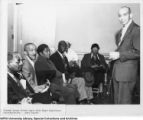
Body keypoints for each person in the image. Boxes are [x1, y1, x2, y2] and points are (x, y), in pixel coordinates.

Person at [109, 6, 140, 104]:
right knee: (117, 103)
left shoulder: (137, 30)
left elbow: (139, 52)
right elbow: (124, 49)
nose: (121, 18)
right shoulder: (118, 33)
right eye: (119, 16)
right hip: (116, 73)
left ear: (131, 15)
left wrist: (119, 54)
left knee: (124, 103)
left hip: (127, 74)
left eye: (125, 14)